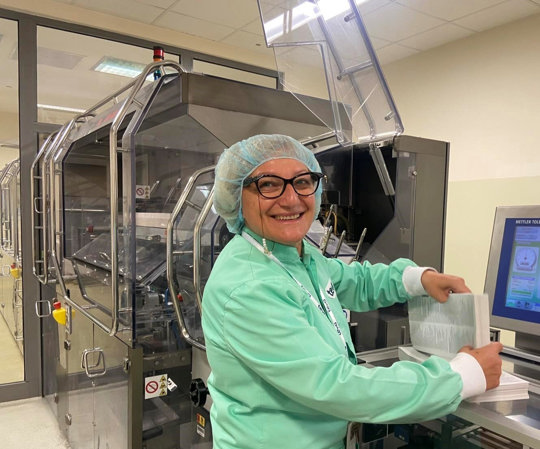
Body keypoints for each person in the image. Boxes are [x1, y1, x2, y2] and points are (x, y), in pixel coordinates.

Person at [201, 134, 502, 449]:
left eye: (303, 181)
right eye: (269, 185)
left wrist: (417, 279)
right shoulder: (249, 288)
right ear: (237, 196)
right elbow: (337, 386)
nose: (291, 199)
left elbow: (350, 280)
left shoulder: (292, 252)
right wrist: (462, 376)